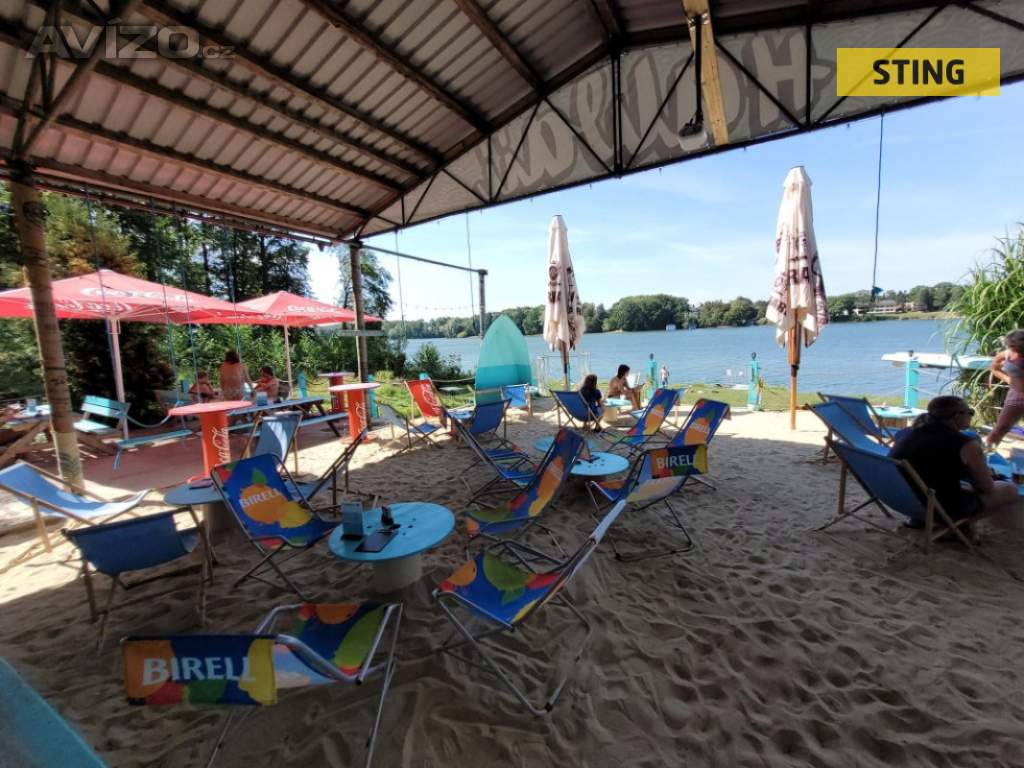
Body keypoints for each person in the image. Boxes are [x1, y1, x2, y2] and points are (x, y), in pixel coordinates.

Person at [889, 395, 1018, 533]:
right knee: (1008, 490)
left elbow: (932, 465)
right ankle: (952, 529)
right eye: (970, 412)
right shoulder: (966, 444)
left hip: (903, 499)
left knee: (964, 486)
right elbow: (987, 488)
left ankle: (921, 520)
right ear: (957, 416)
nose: (971, 416)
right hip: (937, 507)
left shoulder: (905, 433)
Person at [985, 329, 1024, 449]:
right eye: (1010, 345)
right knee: (1000, 428)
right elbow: (994, 368)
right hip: (1016, 396)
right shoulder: (1006, 354)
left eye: (1015, 346)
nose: (1012, 348)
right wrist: (1008, 379)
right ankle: (987, 453)